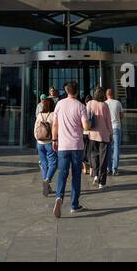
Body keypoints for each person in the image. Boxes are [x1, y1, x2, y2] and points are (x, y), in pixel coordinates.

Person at [51, 81, 89, 218]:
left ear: (66, 91)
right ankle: (74, 205)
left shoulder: (59, 104)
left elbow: (55, 125)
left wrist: (54, 139)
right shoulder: (81, 106)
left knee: (62, 173)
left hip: (63, 146)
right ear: (77, 91)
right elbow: (85, 126)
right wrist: (87, 123)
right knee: (76, 176)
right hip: (77, 146)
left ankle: (59, 197)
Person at [86, 87, 113, 187]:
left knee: (94, 155)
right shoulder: (104, 105)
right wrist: (111, 133)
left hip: (92, 134)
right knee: (103, 158)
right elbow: (108, 122)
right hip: (104, 135)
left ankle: (96, 175)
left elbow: (86, 117)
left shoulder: (89, 103)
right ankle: (102, 182)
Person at [34, 96, 57, 196]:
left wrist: (37, 138)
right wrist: (55, 139)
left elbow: (36, 128)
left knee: (44, 165)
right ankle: (47, 180)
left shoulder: (39, 115)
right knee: (53, 163)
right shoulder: (53, 115)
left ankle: (47, 186)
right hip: (49, 142)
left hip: (40, 143)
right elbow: (55, 128)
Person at [104, 86, 125, 175]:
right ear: (113, 94)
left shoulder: (104, 104)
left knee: (108, 149)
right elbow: (122, 116)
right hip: (116, 127)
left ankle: (108, 168)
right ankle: (115, 168)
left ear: (106, 95)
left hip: (107, 129)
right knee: (116, 148)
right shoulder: (118, 103)